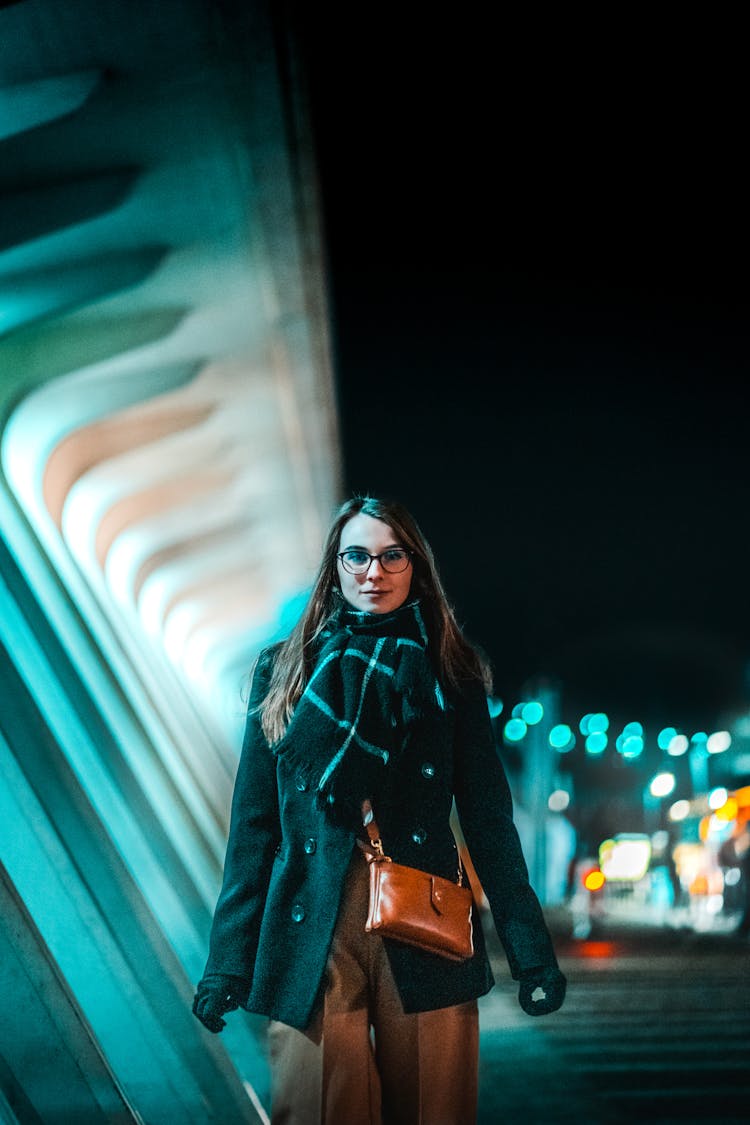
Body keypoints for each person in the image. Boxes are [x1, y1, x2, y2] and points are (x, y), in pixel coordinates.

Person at [193, 495, 566, 1123]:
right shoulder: (285, 669)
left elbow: (487, 821)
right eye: (358, 555)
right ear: (334, 568)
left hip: (424, 915)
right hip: (314, 919)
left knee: (432, 1109)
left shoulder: (452, 673)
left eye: (393, 556)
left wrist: (531, 953)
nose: (375, 571)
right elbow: (255, 826)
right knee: (316, 1105)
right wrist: (227, 962)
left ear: (415, 568)